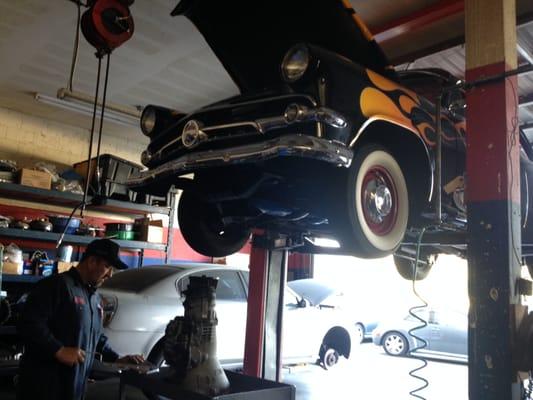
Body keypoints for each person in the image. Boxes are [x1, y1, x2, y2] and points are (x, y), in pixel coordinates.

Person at [16, 238, 145, 400]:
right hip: (45, 386)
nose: (110, 274)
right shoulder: (56, 286)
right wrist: (58, 350)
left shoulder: (94, 297)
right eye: (107, 267)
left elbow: (95, 335)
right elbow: (29, 323)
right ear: (92, 262)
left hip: (75, 386)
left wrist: (117, 358)